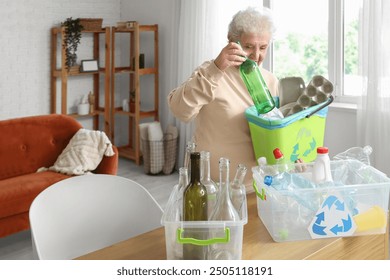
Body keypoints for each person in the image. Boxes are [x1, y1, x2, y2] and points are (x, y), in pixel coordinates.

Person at [167, 7, 278, 190]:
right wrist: (216, 68)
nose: (257, 56)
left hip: (254, 186)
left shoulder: (271, 81)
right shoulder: (211, 73)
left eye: (263, 47)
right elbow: (180, 111)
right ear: (232, 41)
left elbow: (274, 133)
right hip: (210, 185)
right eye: (249, 46)